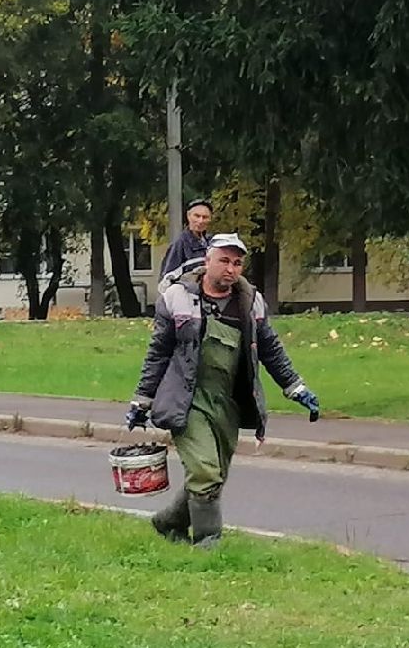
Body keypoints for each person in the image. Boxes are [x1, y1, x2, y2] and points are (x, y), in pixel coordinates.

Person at [126, 234, 320, 548]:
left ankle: (167, 523)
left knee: (212, 477)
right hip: (187, 400)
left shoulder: (249, 302)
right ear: (207, 261)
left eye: (237, 263)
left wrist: (295, 387)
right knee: (205, 472)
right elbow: (158, 353)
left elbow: (270, 349)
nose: (231, 269)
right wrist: (142, 400)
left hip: (228, 402)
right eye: (224, 261)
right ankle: (208, 544)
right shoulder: (177, 298)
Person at [159, 199, 214, 277]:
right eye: (197, 216)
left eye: (205, 217)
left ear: (210, 219)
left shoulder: (212, 242)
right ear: (188, 216)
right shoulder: (180, 244)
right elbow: (167, 278)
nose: (200, 221)